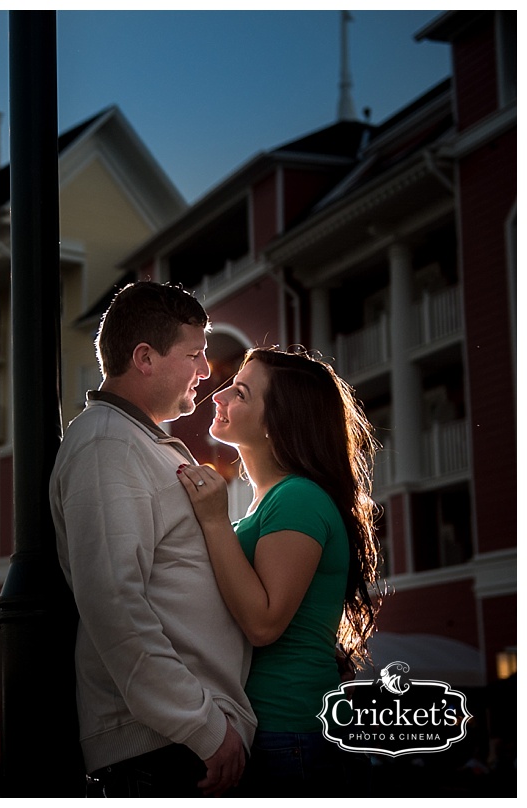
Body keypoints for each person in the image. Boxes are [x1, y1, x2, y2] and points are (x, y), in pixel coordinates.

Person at [50, 281, 256, 797]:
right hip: (165, 748)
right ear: (144, 357)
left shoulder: (135, 440)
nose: (206, 372)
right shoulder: (106, 443)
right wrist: (206, 729)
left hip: (180, 742)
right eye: (195, 355)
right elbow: (113, 601)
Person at [176, 346, 383, 796]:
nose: (219, 396)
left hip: (292, 734)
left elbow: (264, 623)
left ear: (278, 422)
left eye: (241, 393)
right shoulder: (268, 503)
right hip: (274, 733)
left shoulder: (298, 498)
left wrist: (213, 521)